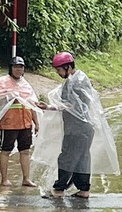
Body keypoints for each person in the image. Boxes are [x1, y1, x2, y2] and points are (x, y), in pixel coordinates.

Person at [38, 52, 96, 198]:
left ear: (68, 67)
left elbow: (71, 106)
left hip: (76, 128)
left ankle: (59, 189)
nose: (58, 73)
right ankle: (84, 190)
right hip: (85, 128)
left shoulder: (74, 82)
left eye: (59, 70)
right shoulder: (80, 78)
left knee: (67, 158)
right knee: (82, 159)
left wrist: (50, 107)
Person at [0, 56, 40, 187]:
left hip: (25, 123)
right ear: (11, 68)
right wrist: (7, 96)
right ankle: (4, 179)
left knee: (25, 151)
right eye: (16, 67)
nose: (18, 69)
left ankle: (26, 179)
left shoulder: (26, 84)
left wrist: (36, 122)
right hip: (9, 123)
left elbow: (32, 103)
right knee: (6, 151)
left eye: (20, 67)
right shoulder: (3, 81)